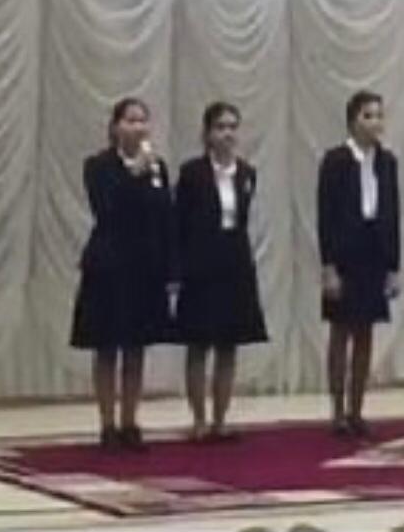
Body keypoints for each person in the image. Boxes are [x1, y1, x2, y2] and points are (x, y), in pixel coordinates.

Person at [70, 97, 174, 451]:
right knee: (106, 347)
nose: (138, 127)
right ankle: (107, 424)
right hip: (108, 266)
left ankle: (131, 422)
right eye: (130, 120)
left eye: (143, 120)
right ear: (115, 127)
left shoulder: (158, 167)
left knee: (135, 347)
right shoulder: (98, 166)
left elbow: (164, 215)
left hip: (144, 267)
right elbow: (108, 208)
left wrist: (169, 268)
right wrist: (134, 173)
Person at [174, 101, 268, 442]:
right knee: (199, 345)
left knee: (229, 345)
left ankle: (220, 420)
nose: (227, 134)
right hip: (201, 262)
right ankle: (198, 419)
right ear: (207, 134)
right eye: (220, 127)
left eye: (232, 127)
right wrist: (177, 271)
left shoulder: (246, 173)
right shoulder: (192, 173)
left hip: (235, 262)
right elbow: (179, 224)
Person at [316, 90, 400, 438]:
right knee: (341, 331)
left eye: (379, 115)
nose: (375, 122)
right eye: (368, 115)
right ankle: (337, 410)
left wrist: (393, 266)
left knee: (366, 332)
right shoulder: (335, 160)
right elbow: (325, 216)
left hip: (373, 253)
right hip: (344, 254)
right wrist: (328, 266)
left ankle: (357, 409)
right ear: (353, 121)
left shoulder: (387, 161)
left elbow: (393, 213)